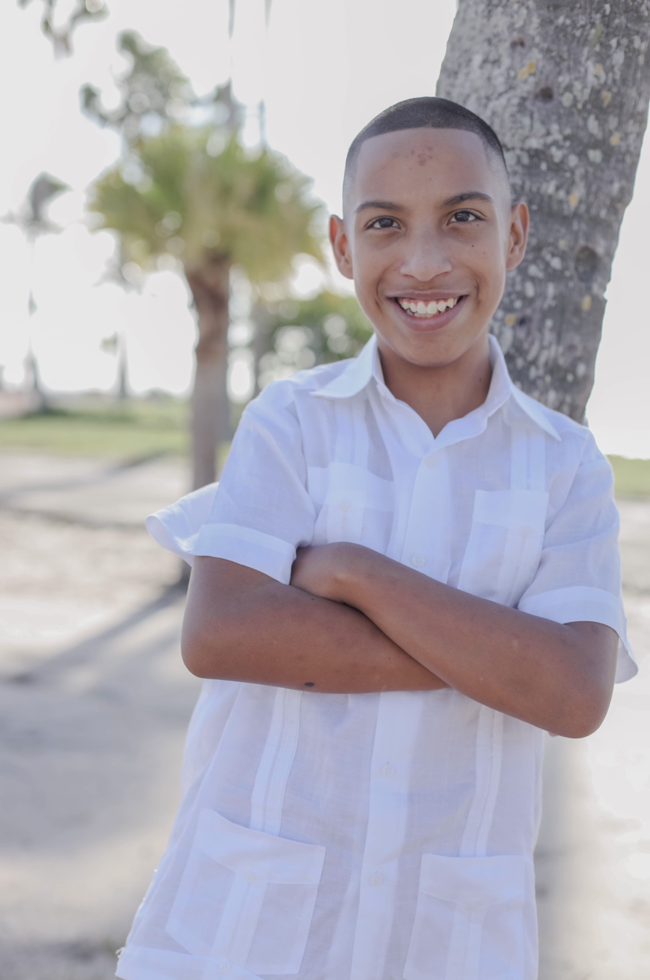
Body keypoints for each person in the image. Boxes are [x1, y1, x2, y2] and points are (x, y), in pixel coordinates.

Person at [116, 97, 635, 980]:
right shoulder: (292, 424)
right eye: (385, 224)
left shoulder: (565, 465)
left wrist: (354, 573)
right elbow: (222, 633)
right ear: (343, 246)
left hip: (447, 945)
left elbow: (575, 694)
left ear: (513, 235)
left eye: (462, 218)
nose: (423, 261)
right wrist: (501, 656)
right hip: (246, 936)